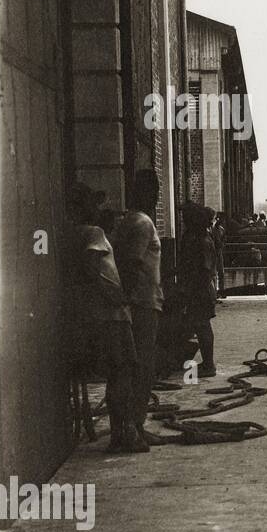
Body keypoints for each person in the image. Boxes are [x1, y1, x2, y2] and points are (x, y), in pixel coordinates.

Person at [67, 182, 140, 452]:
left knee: (117, 372)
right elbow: (94, 271)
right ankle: (124, 434)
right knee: (123, 371)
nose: (97, 208)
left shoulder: (73, 233)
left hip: (96, 314)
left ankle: (122, 432)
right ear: (80, 207)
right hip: (111, 316)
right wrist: (117, 296)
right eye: (91, 203)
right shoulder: (92, 233)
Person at [113, 169, 163, 444]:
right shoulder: (142, 223)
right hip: (142, 304)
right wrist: (130, 303)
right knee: (142, 368)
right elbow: (131, 265)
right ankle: (134, 428)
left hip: (142, 302)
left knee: (135, 368)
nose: (156, 197)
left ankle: (133, 428)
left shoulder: (129, 220)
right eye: (153, 191)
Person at [178, 203, 218, 378]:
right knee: (198, 325)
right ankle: (205, 363)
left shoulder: (202, 240)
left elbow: (204, 269)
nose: (183, 220)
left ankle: (208, 365)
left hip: (200, 290)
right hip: (197, 289)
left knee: (202, 326)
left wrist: (192, 290)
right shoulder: (194, 237)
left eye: (186, 217)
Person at [211, 211, 227, 300]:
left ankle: (221, 290)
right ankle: (215, 292)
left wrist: (222, 244)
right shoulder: (212, 229)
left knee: (221, 272)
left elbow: (223, 239)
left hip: (219, 252)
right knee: (214, 272)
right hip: (213, 252)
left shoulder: (221, 229)